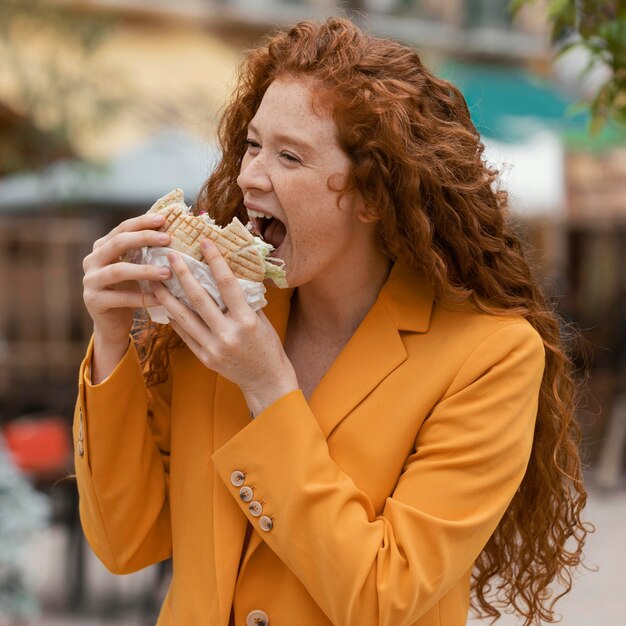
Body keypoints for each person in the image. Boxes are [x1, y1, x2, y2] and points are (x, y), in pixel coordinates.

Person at [75, 17, 589, 626]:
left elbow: (383, 596)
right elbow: (126, 544)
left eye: (289, 155)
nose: (249, 176)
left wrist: (268, 387)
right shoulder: (217, 320)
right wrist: (110, 341)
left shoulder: (492, 356)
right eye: (252, 144)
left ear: (375, 193)